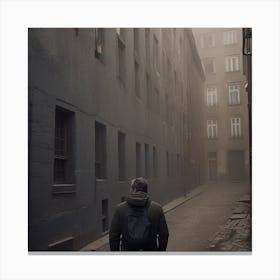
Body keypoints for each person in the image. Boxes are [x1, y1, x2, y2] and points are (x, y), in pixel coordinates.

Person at [109, 177, 169, 251]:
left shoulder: (120, 209)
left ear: (134, 190)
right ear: (146, 191)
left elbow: (113, 236)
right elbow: (164, 235)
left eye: (130, 188)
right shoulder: (157, 208)